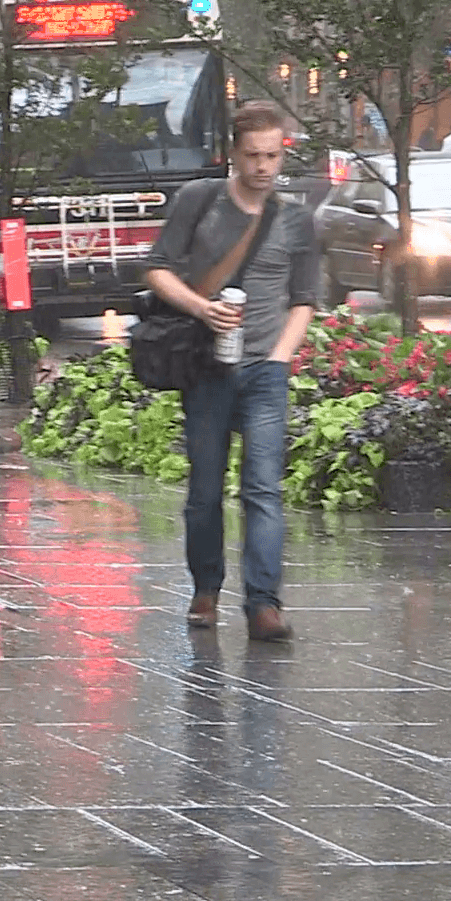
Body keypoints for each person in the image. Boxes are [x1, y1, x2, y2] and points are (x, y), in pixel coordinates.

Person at [144, 102, 318, 642]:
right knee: (204, 489)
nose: (264, 167)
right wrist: (201, 309)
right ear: (233, 155)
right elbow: (157, 269)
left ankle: (264, 602)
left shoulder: (296, 219)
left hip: (265, 371)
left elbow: (304, 300)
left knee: (263, 488)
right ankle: (205, 589)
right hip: (207, 365)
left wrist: (279, 359)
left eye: (272, 155)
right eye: (252, 156)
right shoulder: (201, 201)